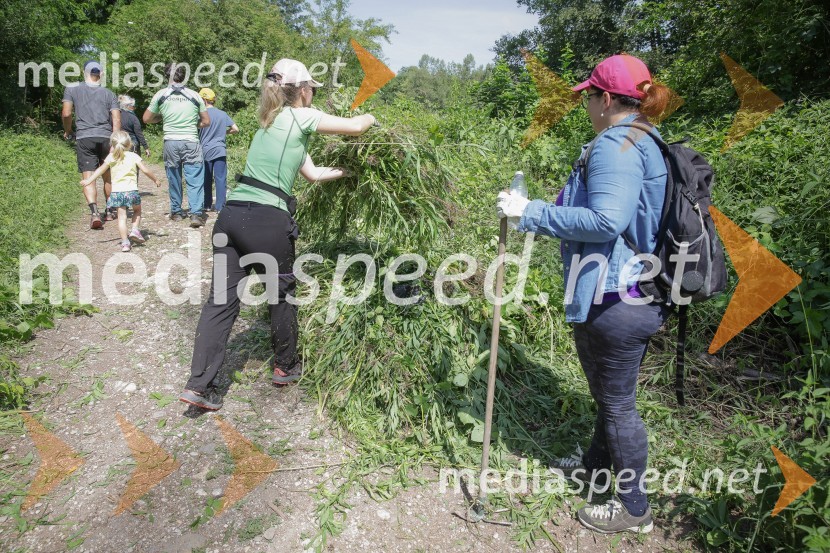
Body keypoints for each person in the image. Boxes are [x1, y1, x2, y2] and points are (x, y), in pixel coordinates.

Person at [497, 54, 672, 534]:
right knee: (608, 396)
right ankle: (595, 471)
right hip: (630, 289)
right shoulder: (643, 138)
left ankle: (635, 509)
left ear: (608, 98)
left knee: (617, 404)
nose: (586, 105)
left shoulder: (617, 142)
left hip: (616, 294)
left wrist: (529, 212)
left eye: (589, 96)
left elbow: (605, 221)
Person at [179, 59, 377, 411]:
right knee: (281, 296)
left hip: (230, 218)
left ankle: (198, 387)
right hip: (268, 223)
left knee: (220, 303)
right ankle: (286, 366)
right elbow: (357, 127)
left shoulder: (269, 123)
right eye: (312, 88)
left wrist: (348, 170)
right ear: (302, 90)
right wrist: (372, 119)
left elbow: (313, 174)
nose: (314, 93)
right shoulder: (300, 116)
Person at [143, 63, 210, 228]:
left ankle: (177, 212)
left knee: (174, 177)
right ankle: (195, 214)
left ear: (167, 76)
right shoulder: (195, 95)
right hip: (191, 141)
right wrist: (193, 124)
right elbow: (206, 121)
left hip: (171, 142)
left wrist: (161, 118)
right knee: (194, 178)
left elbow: (146, 119)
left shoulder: (161, 95)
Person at [62, 60, 121, 229]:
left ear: (84, 72)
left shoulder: (72, 89)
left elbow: (66, 113)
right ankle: (110, 210)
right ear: (100, 74)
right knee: (108, 176)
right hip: (106, 137)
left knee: (88, 178)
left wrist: (68, 130)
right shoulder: (109, 94)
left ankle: (94, 213)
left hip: (84, 137)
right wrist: (114, 141)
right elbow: (116, 119)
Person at [80, 131, 161, 252]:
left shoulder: (111, 157)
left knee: (121, 218)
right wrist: (155, 179)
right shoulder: (133, 156)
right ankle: (134, 230)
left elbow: (100, 170)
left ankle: (125, 243)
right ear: (129, 144)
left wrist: (89, 180)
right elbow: (145, 170)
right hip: (131, 191)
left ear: (112, 144)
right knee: (137, 210)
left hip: (117, 193)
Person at [198, 88, 239, 212]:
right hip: (220, 150)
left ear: (204, 100)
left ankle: (207, 205)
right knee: (221, 178)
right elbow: (236, 129)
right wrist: (224, 132)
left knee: (206, 178)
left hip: (205, 151)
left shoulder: (200, 115)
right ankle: (220, 207)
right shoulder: (222, 114)